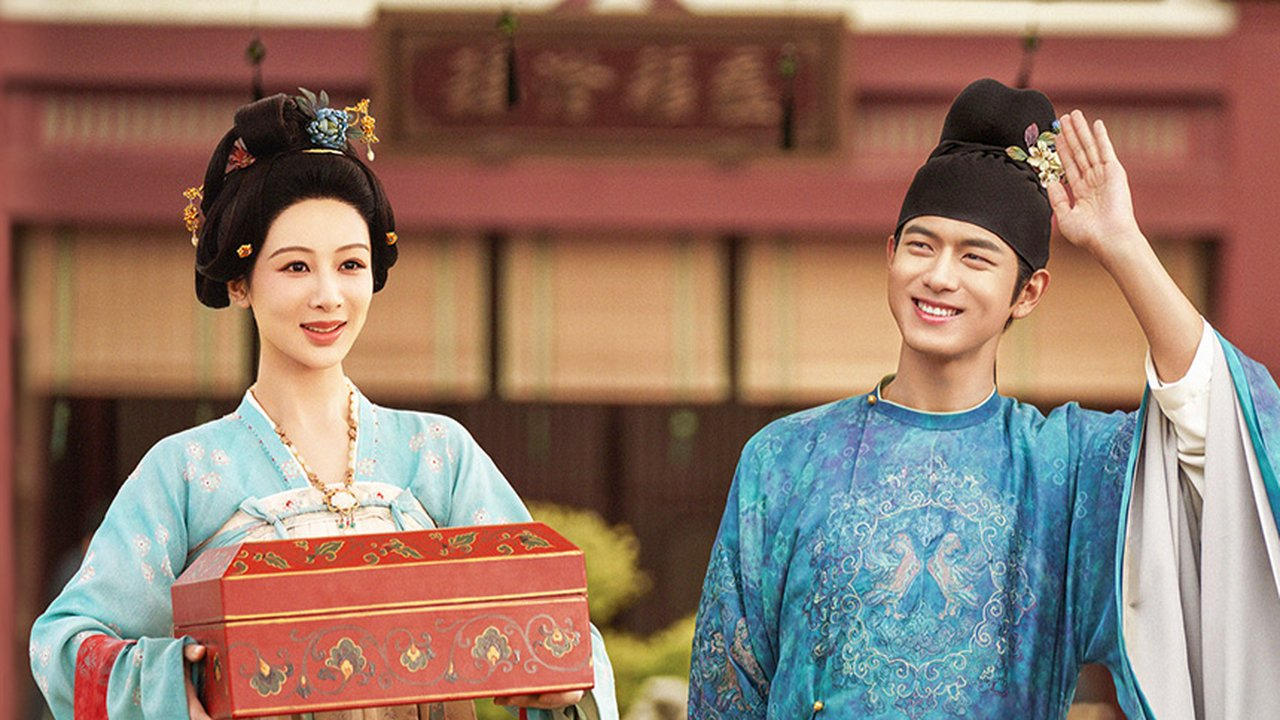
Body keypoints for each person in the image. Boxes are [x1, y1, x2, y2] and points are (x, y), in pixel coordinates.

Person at [688, 78, 1280, 719]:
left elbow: (1224, 430)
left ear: (1027, 293)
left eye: (976, 258)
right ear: (891, 255)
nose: (939, 276)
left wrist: (1122, 244)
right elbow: (726, 687)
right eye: (921, 245)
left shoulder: (1065, 471)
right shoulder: (785, 458)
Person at [29, 90, 618, 720]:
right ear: (239, 282)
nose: (329, 295)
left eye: (351, 265)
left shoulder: (437, 454)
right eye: (295, 268)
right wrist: (175, 682)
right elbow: (63, 646)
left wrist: (564, 679)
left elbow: (556, 617)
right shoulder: (186, 471)